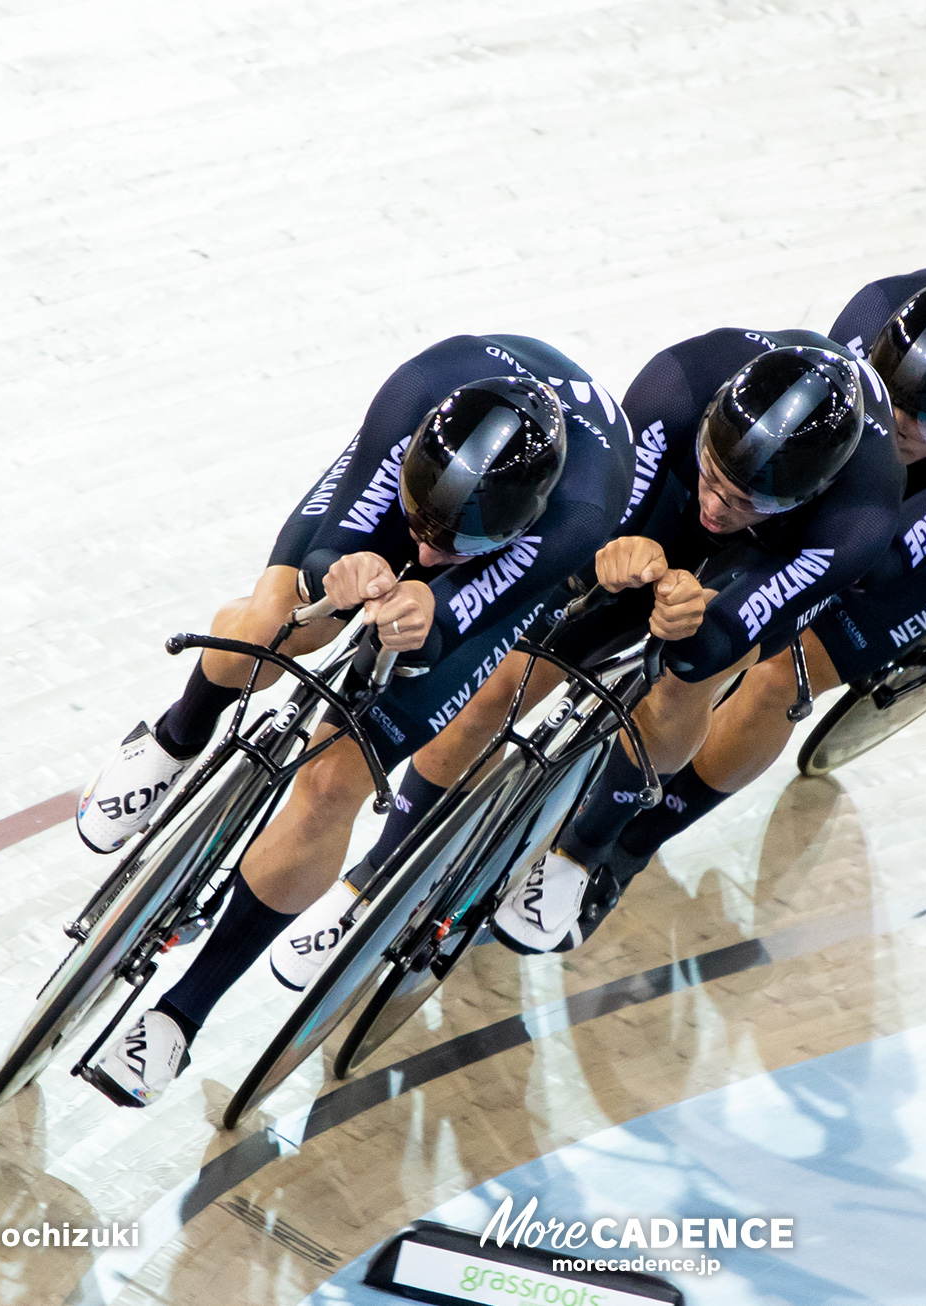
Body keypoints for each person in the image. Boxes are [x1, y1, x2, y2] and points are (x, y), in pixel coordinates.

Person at [75, 334, 634, 1107]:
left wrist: (424, 612)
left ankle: (183, 1012)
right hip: (418, 470)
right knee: (278, 625)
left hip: (514, 562)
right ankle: (177, 735)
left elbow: (457, 620)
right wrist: (342, 570)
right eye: (425, 532)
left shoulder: (577, 515)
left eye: (461, 545)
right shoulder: (417, 397)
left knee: (338, 776)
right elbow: (336, 546)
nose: (433, 553)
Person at [552, 268, 926, 933]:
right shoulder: (872, 314)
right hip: (844, 488)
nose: (895, 424)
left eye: (924, 421)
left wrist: (770, 601)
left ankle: (635, 845)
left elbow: (883, 555)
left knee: (779, 671)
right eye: (888, 397)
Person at [481, 329, 906, 954]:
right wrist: (618, 553)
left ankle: (582, 853)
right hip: (676, 478)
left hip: (774, 556)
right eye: (713, 478)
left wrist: (697, 612)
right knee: (570, 606)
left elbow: (731, 630)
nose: (714, 506)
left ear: (802, 497)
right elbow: (604, 516)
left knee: (691, 667)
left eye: (740, 501)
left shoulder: (858, 517)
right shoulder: (679, 383)